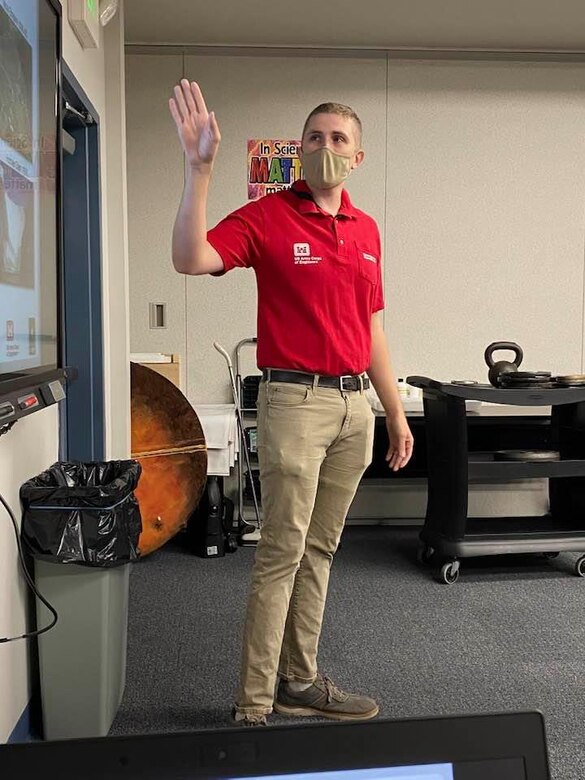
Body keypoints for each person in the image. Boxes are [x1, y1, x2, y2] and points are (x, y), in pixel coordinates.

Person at [169, 79, 414, 726]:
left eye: (338, 139)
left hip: (352, 408)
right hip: (293, 403)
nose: (324, 146)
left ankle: (298, 681)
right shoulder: (269, 216)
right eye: (314, 137)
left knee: (321, 550)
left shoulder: (366, 229)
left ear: (356, 157)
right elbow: (190, 258)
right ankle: (251, 709)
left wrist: (391, 411)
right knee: (281, 550)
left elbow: (372, 331)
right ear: (297, 149)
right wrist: (199, 172)